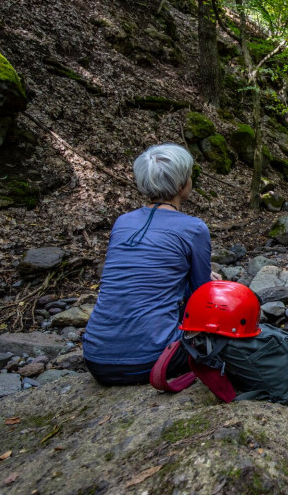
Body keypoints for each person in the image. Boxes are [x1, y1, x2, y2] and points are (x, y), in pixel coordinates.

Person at [82, 143, 214, 385]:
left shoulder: (122, 223)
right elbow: (201, 295)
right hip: (154, 360)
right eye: (190, 175)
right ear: (180, 185)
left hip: (96, 360)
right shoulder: (194, 228)